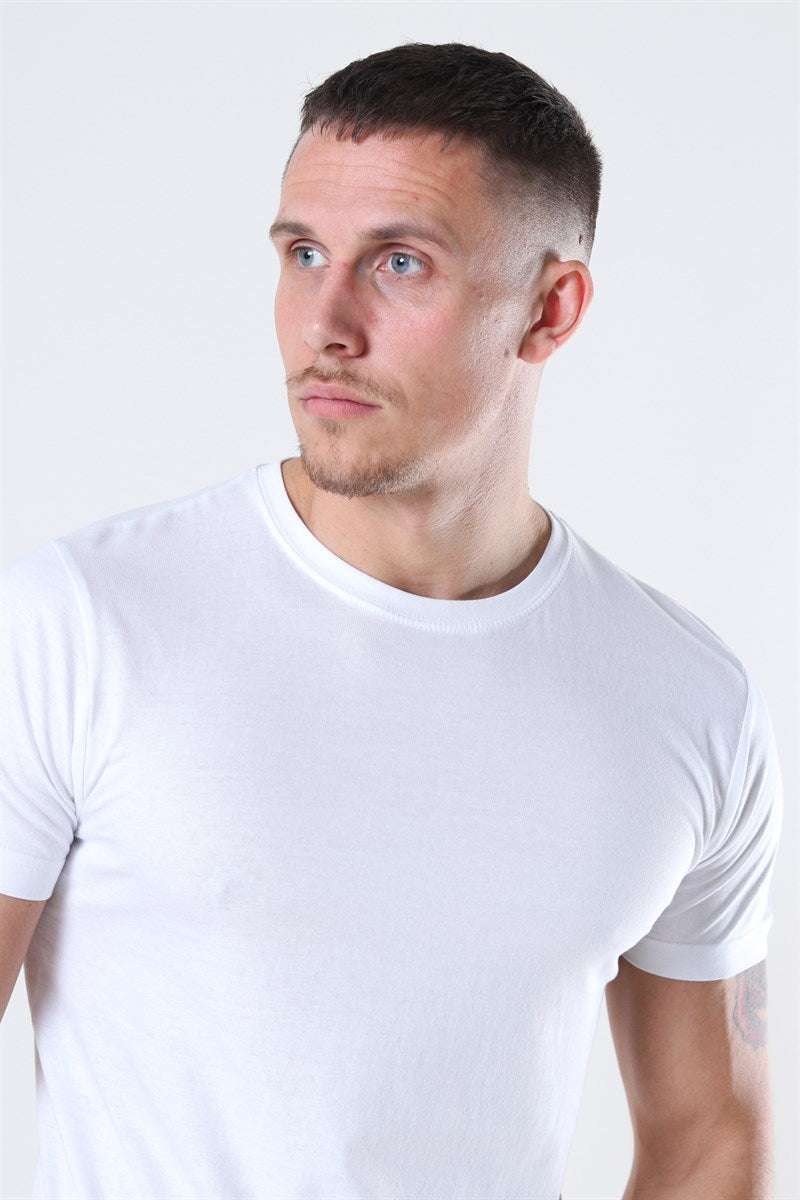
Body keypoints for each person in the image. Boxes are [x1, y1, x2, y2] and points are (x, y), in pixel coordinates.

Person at [0, 40, 783, 1200]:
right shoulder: (82, 623)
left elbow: (709, 1136)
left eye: (400, 263)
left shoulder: (683, 702)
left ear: (549, 309)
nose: (324, 321)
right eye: (302, 254)